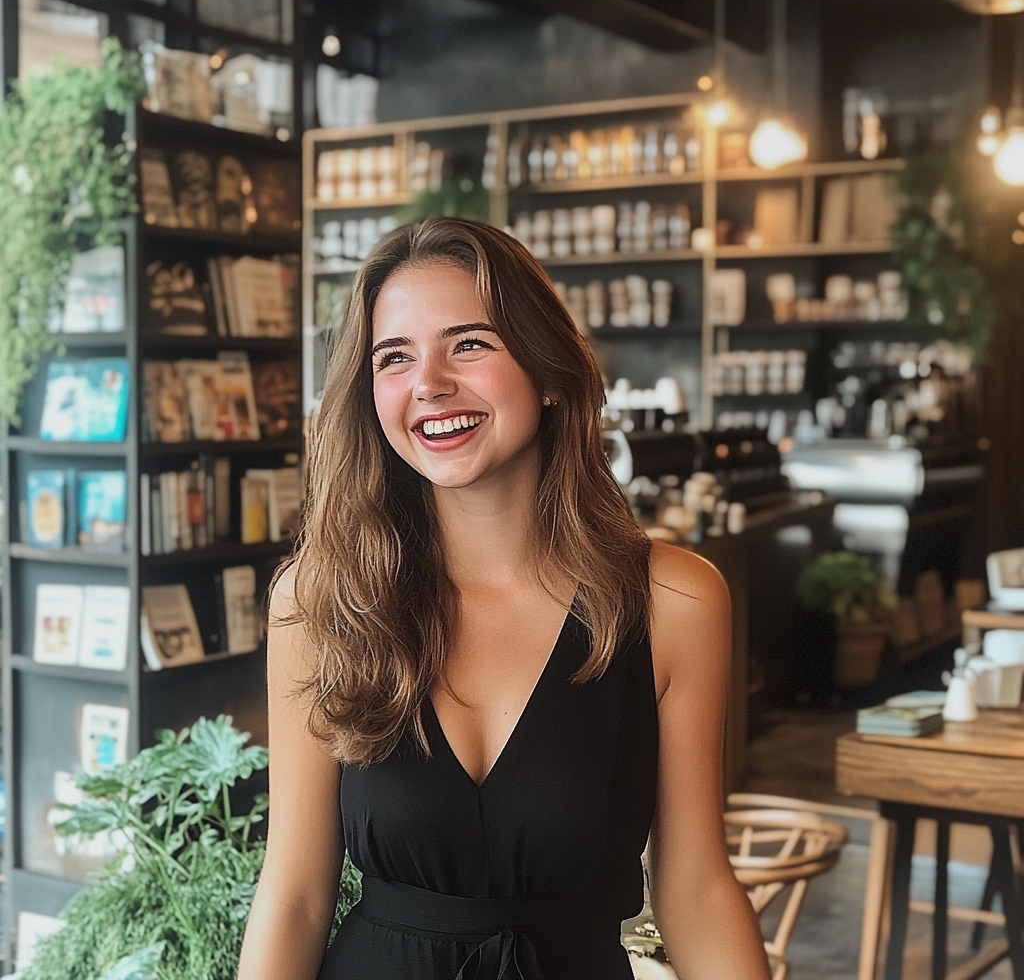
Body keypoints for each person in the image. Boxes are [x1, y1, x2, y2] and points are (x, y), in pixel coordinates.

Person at [237, 218, 770, 980]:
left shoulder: (673, 601)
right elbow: (293, 895)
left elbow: (696, 890)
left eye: (470, 343)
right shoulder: (321, 602)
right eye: (396, 357)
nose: (430, 383)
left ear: (550, 371)